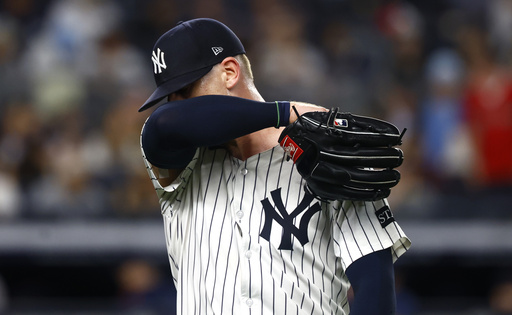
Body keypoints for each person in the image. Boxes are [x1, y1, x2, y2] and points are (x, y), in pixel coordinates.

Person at [138, 18, 411, 315]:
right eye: (170, 97)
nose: (176, 105)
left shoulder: (331, 156)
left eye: (184, 91)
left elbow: (374, 285)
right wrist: (285, 112)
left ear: (230, 72)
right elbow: (163, 125)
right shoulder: (182, 166)